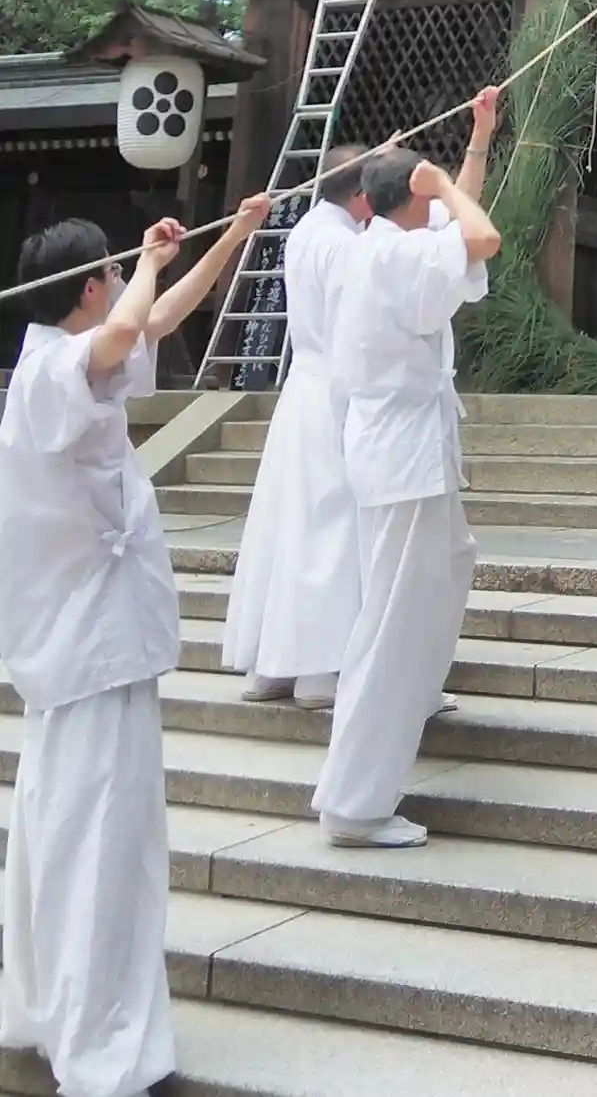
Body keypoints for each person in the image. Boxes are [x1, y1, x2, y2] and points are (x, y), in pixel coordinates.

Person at [0, 192, 271, 1097]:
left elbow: (147, 323)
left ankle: (66, 1012)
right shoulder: (51, 371)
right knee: (98, 837)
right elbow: (124, 331)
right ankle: (97, 1037)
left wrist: (231, 238)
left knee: (88, 826)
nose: (122, 283)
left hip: (95, 641)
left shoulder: (67, 355)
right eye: (111, 274)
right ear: (87, 289)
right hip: (85, 644)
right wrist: (147, 264)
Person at [312, 93, 500, 852]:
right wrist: (441, 179)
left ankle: (416, 692)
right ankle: (354, 804)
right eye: (428, 193)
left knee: (449, 566)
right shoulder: (392, 255)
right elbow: (481, 237)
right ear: (413, 198)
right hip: (399, 452)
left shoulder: (385, 246)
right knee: (390, 623)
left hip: (400, 447)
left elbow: (460, 233)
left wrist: (477, 140)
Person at [223, 146, 371, 709]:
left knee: (288, 521)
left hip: (303, 385)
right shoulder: (343, 244)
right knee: (328, 525)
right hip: (334, 386)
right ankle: (316, 668)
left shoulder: (310, 228)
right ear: (360, 196)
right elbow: (355, 328)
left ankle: (271, 664)